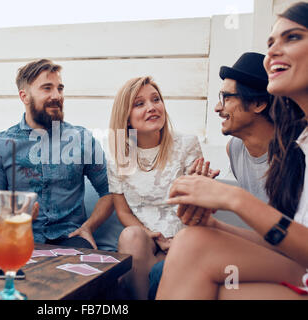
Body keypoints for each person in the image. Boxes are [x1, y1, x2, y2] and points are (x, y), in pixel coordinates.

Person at [157, 2, 308, 300]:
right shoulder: (298, 142)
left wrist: (231, 198)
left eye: (292, 37)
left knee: (193, 252)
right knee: (195, 245)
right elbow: (288, 242)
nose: (273, 52)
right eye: (270, 42)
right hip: (297, 265)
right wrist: (212, 222)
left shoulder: (294, 151)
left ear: (259, 104)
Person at [0, 59, 113, 249]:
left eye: (60, 88)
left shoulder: (82, 139)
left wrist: (88, 228)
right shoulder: (1, 145)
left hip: (71, 238)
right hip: (17, 237)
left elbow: (109, 192)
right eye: (47, 88)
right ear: (24, 96)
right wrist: (14, 219)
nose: (56, 95)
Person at [107, 76, 217, 299]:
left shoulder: (187, 144)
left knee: (166, 264)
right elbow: (123, 211)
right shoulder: (117, 156)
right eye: (139, 104)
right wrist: (151, 234)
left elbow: (205, 209)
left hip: (185, 234)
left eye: (156, 100)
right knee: (130, 236)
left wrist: (202, 192)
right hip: (147, 239)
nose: (152, 107)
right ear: (126, 118)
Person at [216, 52, 274, 202]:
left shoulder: (296, 153)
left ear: (258, 104)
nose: (217, 108)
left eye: (226, 98)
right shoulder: (234, 148)